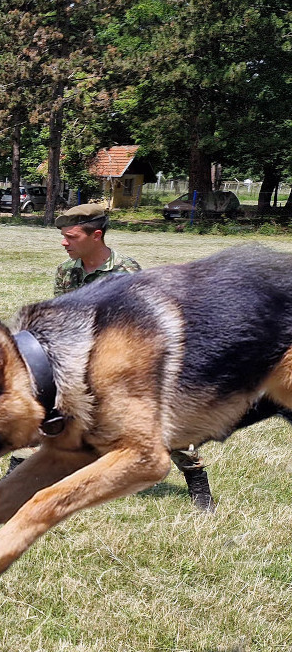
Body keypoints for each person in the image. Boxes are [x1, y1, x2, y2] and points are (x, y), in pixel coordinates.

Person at [43, 202, 214, 511]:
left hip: (124, 362)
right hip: (82, 359)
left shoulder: (126, 271)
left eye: (71, 236)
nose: (64, 243)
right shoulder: (66, 272)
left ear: (96, 236)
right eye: (63, 236)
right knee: (55, 412)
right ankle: (27, 475)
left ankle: (197, 482)